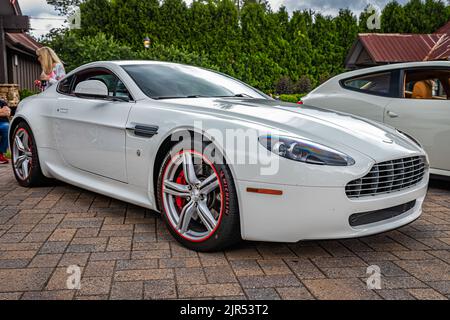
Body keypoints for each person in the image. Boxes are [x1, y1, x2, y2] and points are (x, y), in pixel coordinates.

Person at [0, 99, 11, 164]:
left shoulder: (2, 102)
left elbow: (7, 113)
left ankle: (0, 154)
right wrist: (2, 111)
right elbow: (4, 112)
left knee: (7, 128)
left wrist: (4, 112)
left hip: (3, 123)